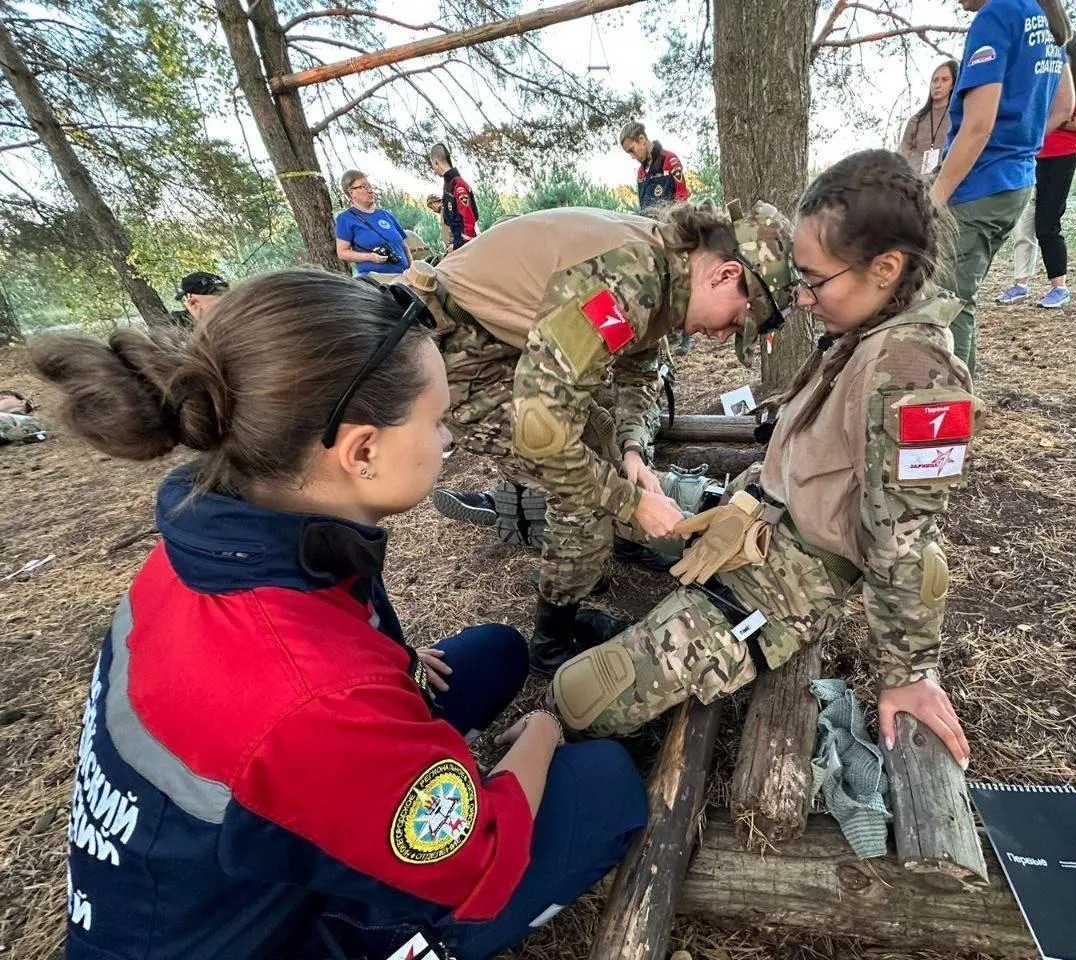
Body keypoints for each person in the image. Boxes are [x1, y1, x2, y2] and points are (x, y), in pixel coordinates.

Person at [30, 271, 646, 960]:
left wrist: (399, 664)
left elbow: (314, 671)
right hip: (258, 937)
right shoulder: (314, 697)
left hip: (224, 854)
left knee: (496, 653)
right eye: (437, 422)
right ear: (362, 451)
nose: (448, 442)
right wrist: (541, 734)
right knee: (604, 788)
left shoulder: (220, 540)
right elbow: (479, 858)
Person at [549, 151, 979, 773]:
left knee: (580, 698)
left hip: (790, 579)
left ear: (885, 269)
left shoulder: (917, 374)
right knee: (613, 502)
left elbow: (907, 541)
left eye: (815, 279)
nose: (801, 297)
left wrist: (908, 672)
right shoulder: (869, 330)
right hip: (753, 517)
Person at [407, 202, 793, 675]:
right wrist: (628, 502)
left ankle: (597, 554)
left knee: (604, 442)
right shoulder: (629, 282)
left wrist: (633, 449)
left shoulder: (668, 266)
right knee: (584, 498)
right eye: (735, 322)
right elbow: (543, 437)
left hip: (506, 349)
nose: (720, 337)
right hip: (462, 356)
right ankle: (553, 640)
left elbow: (639, 372)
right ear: (724, 274)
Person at [931, 0, 1076, 374]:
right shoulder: (1045, 18)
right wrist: (1020, 147)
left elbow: (979, 125)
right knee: (961, 298)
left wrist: (937, 196)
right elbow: (1064, 106)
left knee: (947, 304)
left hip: (978, 185)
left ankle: (951, 416)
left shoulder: (997, 15)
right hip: (1015, 183)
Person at [996, 32, 1076, 308]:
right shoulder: (1039, 75)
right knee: (1022, 222)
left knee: (1047, 222)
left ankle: (1059, 287)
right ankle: (1020, 283)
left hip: (1062, 155)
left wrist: (1061, 120)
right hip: (1030, 153)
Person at [620, 122, 695, 354]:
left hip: (672, 231)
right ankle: (667, 332)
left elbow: (682, 197)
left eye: (632, 150)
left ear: (643, 140)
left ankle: (688, 335)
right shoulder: (641, 172)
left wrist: (675, 230)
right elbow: (644, 207)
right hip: (651, 233)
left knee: (682, 281)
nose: (632, 156)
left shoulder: (670, 161)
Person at [335, 170, 411, 277]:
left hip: (403, 276)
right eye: (363, 187)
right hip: (376, 281)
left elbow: (404, 245)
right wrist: (370, 257)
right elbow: (342, 253)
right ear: (351, 192)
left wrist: (412, 268)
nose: (370, 190)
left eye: (370, 186)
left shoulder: (385, 214)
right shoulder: (346, 219)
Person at [899, 60, 959, 177]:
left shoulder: (957, 116)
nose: (938, 85)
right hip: (916, 183)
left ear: (953, 85)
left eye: (944, 80)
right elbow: (903, 154)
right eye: (935, 80)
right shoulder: (916, 120)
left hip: (947, 181)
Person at [429, 143, 479, 252]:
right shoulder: (449, 185)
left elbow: (468, 218)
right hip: (457, 241)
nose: (433, 169)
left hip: (465, 244)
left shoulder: (458, 185)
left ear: (435, 161)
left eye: (432, 164)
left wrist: (463, 245)